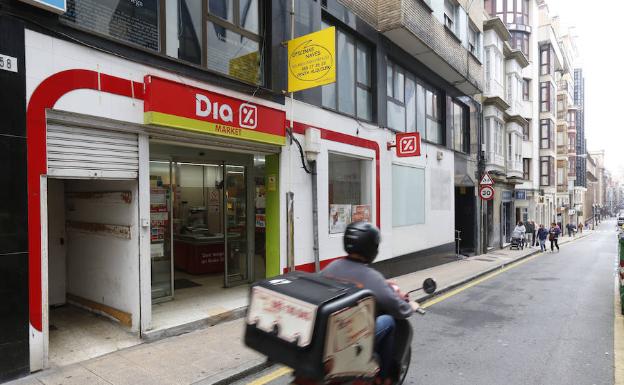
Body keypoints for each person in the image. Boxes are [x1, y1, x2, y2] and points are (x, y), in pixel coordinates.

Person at [322, 222, 418, 384]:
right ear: (371, 248)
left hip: (329, 336)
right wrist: (410, 306)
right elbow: (396, 307)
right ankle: (383, 378)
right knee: (388, 321)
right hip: (351, 340)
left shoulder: (332, 267)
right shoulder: (371, 276)